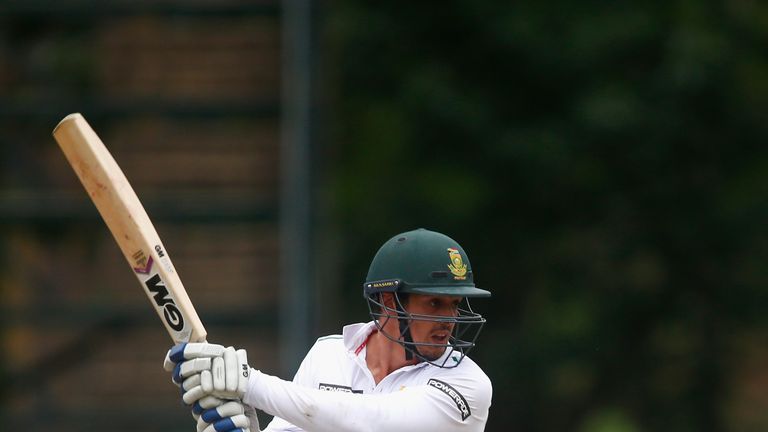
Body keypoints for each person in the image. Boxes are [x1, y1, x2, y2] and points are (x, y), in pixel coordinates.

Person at [164, 228, 492, 432]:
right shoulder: (329, 354)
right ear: (391, 301)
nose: (450, 319)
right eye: (435, 304)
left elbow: (371, 422)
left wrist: (251, 384)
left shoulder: (467, 385)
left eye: (455, 304)